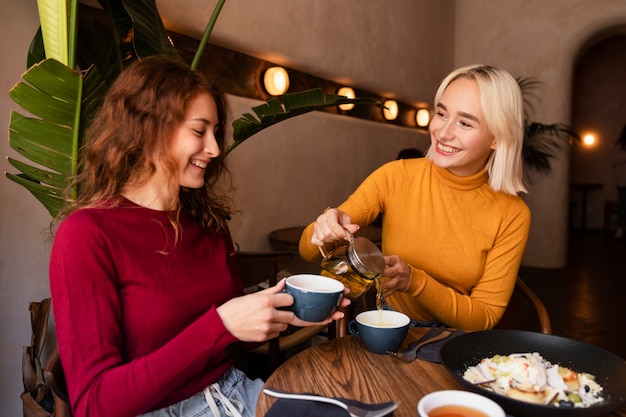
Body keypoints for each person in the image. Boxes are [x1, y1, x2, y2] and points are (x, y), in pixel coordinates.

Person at [49, 55, 349, 417]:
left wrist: (287, 313)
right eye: (198, 131)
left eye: (214, 132)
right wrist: (219, 326)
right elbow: (94, 404)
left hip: (232, 393)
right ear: (148, 128)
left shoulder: (207, 224)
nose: (215, 149)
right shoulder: (86, 235)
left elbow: (227, 328)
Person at [299, 64, 531, 331]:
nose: (443, 133)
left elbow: (485, 317)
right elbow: (307, 251)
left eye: (465, 123)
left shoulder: (512, 213)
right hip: (389, 323)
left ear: (498, 138)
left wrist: (414, 281)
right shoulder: (396, 176)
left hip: (453, 337)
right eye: (441, 113)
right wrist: (322, 228)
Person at [613, 124, 626, 239]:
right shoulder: (620, 146)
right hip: (623, 180)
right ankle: (620, 229)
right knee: (623, 205)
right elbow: (615, 161)